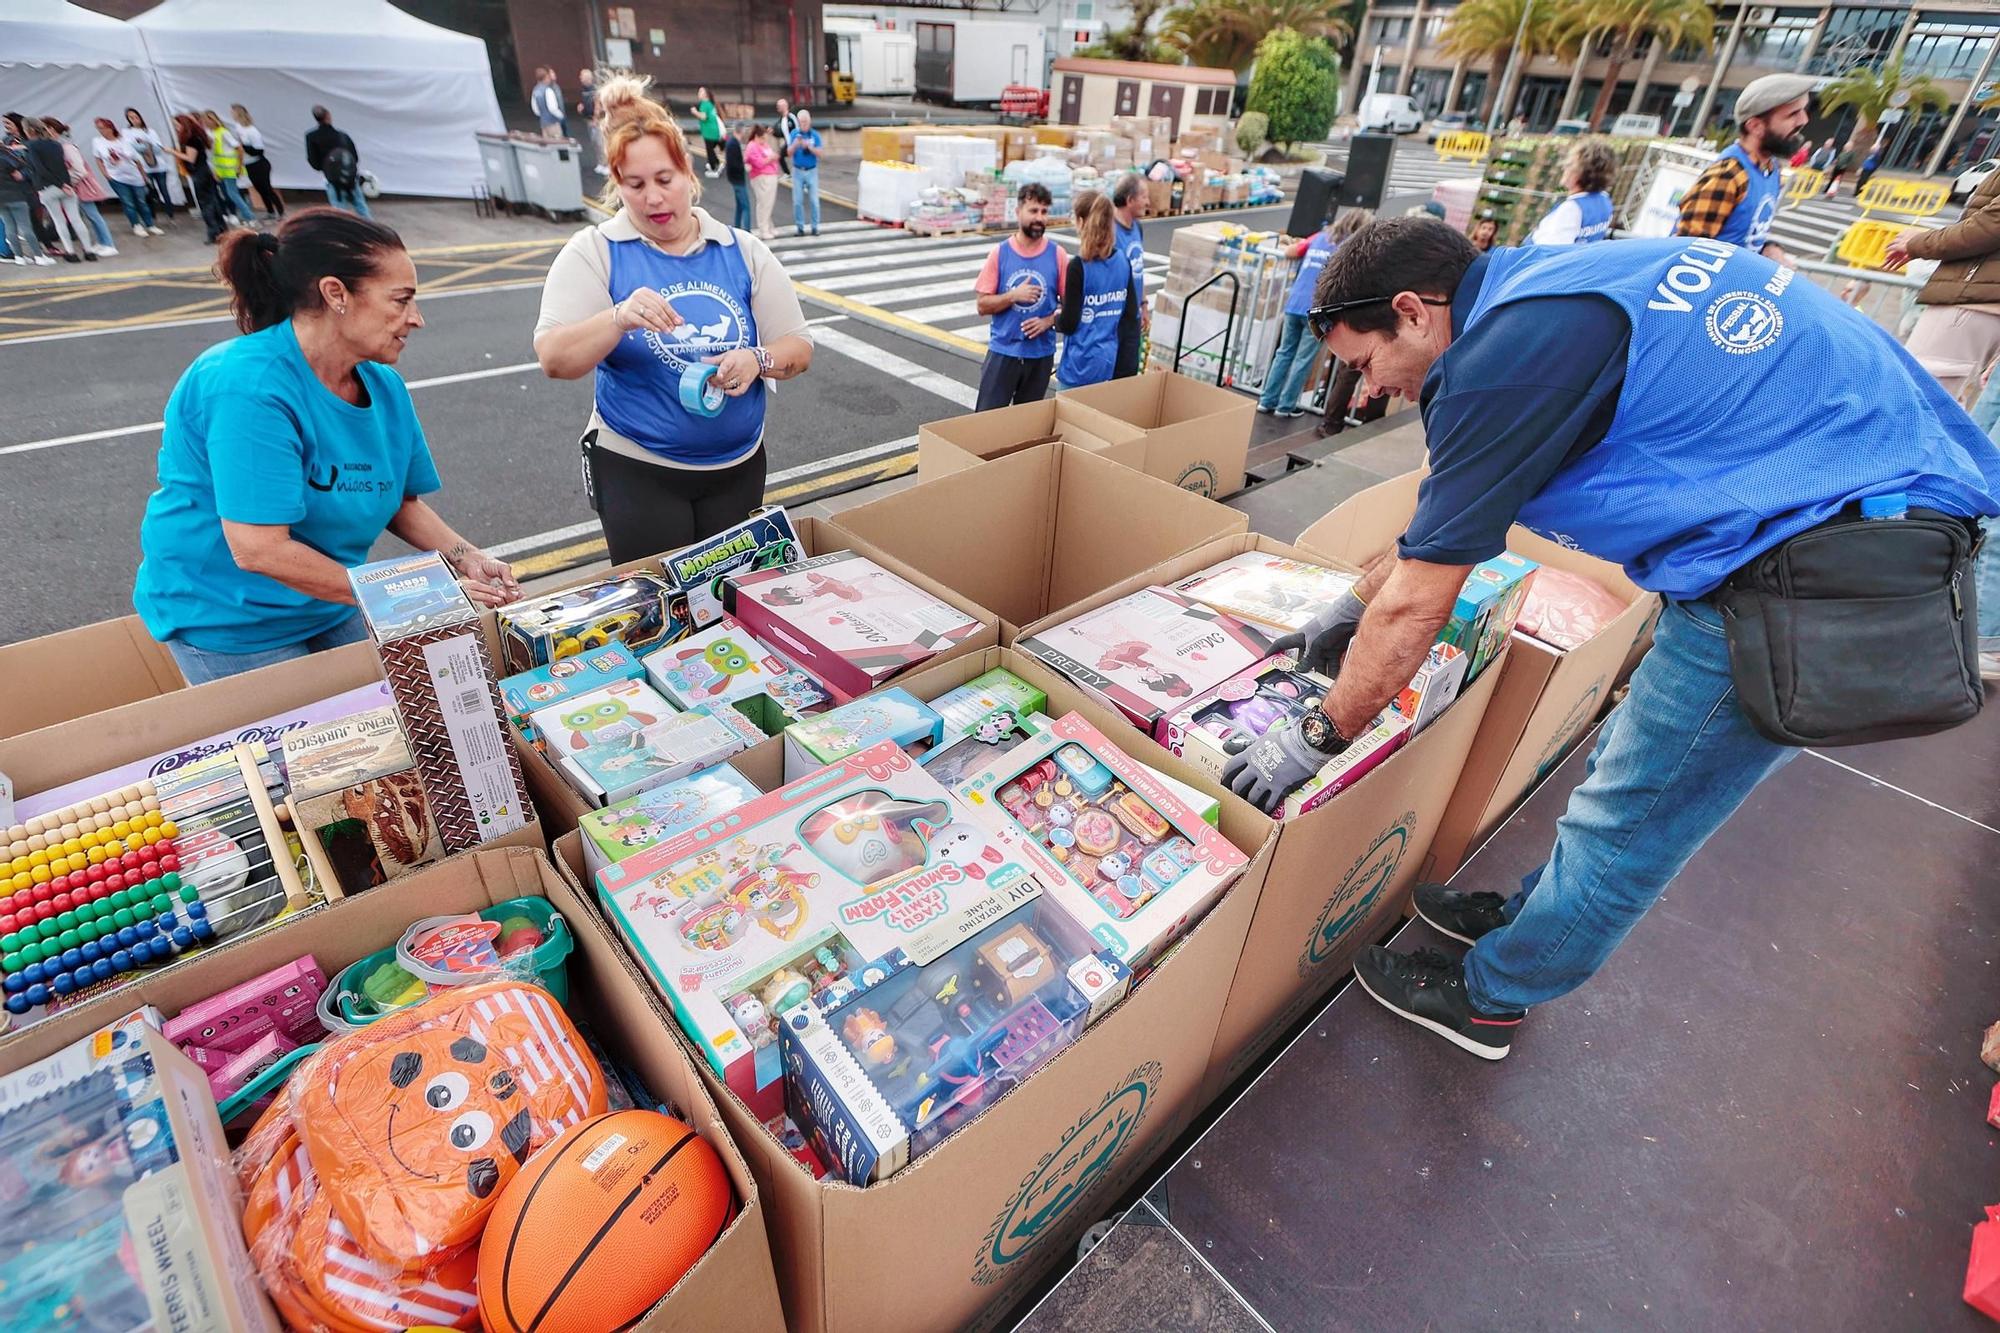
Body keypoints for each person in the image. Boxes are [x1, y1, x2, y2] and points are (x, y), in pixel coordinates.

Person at [1223, 216, 2000, 1061]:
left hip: (1810, 564)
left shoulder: (1499, 366)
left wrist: (1317, 733)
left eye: (1365, 366)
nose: (1369, 393)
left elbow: (1421, 603)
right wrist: (1353, 600)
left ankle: (1492, 996)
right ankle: (1535, 916)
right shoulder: (1539, 293)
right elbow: (1453, 506)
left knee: (1632, 817)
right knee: (1622, 769)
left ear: (1412, 311)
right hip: (1838, 491)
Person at [133, 209, 518, 684]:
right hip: (230, 618)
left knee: (402, 718)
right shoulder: (245, 385)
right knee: (301, 754)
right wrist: (413, 593)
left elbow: (398, 499)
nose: (415, 319)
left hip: (330, 598)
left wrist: (467, 557)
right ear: (335, 293)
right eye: (400, 301)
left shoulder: (383, 384)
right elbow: (259, 550)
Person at [533, 76, 815, 563]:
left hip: (737, 466)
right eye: (634, 185)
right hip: (638, 469)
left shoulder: (741, 250)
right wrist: (618, 319)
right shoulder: (596, 251)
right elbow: (555, 358)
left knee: (730, 605)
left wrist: (757, 358)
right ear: (616, 185)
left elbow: (798, 346)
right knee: (661, 610)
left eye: (664, 180)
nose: (652, 199)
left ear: (688, 171)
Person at [1884, 172, 2000, 405]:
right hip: (1977, 297)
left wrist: (1918, 243)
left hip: (1972, 299)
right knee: (1940, 400)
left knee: (1915, 396)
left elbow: (1987, 227)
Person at [1675, 73, 1812, 265]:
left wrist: (1769, 248)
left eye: (1803, 110)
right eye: (1792, 114)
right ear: (1756, 126)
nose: (1803, 120)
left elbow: (1744, 233)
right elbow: (1684, 253)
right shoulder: (1728, 175)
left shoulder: (1771, 169)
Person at [1258, 208, 1370, 417]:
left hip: (1294, 302)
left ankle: (1267, 400)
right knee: (1303, 359)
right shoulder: (1353, 247)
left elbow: (1291, 252)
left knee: (1284, 353)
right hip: (1320, 310)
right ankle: (1286, 405)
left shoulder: (1319, 237)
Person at [973, 181, 1065, 410]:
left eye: (1044, 212)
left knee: (1027, 427)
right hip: (1004, 352)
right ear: (1018, 212)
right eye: (1033, 211)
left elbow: (1074, 306)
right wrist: (1012, 295)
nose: (1040, 218)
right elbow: (982, 305)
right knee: (986, 422)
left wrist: (1048, 321)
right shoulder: (1000, 253)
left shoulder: (1058, 255)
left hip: (1041, 356)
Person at [1053, 191, 1134, 393]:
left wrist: (1056, 318)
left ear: (1081, 221)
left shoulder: (1079, 267)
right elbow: (1129, 316)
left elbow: (1070, 323)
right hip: (1108, 363)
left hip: (1079, 365)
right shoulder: (1123, 261)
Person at [22, 118, 94, 263]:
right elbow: (61, 166)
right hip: (67, 186)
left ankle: (71, 252)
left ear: (29, 130)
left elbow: (40, 169)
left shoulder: (31, 146)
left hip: (47, 187)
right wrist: (65, 184)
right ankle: (89, 251)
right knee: (76, 219)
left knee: (59, 221)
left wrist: (59, 184)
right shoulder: (56, 144)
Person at [47, 119, 117, 257]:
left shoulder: (66, 147)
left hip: (81, 186)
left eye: (45, 129)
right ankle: (103, 242)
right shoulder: (63, 145)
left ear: (52, 130)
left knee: (93, 215)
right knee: (90, 215)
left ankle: (108, 243)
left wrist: (67, 182)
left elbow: (80, 170)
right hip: (77, 186)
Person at [1529, 138, 1616, 245]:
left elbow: (1553, 251)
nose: (1564, 167)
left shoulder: (1572, 209)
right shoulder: (1604, 200)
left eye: (1570, 164)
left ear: (1583, 173)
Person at [92, 117, 162, 236]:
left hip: (134, 175)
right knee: (128, 202)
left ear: (110, 128)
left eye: (103, 128)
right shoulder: (97, 141)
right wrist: (106, 174)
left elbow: (136, 160)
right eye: (99, 129)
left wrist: (143, 175)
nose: (101, 131)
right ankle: (136, 225)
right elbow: (98, 159)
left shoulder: (124, 141)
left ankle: (150, 224)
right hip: (116, 177)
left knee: (141, 201)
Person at [1110, 173, 1150, 378]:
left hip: (1133, 317)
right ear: (1129, 199)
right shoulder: (1109, 231)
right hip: (1114, 318)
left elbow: (1138, 269)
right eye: (1144, 196)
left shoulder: (1138, 228)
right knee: (1109, 374)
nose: (1148, 201)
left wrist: (1143, 305)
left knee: (1128, 373)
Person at [170, 113, 228, 242]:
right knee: (213, 202)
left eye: (177, 125)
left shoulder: (191, 139)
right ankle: (221, 229)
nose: (176, 128)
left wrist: (173, 152)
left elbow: (190, 158)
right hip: (204, 172)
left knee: (206, 204)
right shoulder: (197, 137)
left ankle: (213, 233)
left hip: (200, 174)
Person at [306, 107, 370, 218]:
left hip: (332, 180)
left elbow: (313, 161)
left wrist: (326, 168)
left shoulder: (311, 137)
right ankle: (372, 232)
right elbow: (355, 157)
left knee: (340, 214)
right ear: (328, 116)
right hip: (351, 178)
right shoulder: (342, 136)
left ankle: (345, 234)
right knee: (362, 209)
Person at [0, 120, 47, 265]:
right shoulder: (6, 160)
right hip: (16, 196)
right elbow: (20, 173)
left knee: (10, 228)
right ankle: (39, 257)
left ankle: (19, 257)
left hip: (1, 200)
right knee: (26, 227)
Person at [232, 104, 284, 218]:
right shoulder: (238, 127)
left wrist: (244, 147)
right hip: (249, 164)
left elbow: (259, 151)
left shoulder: (251, 131)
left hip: (258, 163)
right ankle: (270, 211)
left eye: (233, 113)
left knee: (266, 188)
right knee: (259, 188)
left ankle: (280, 211)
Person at [200, 110, 251, 224]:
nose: (205, 123)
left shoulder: (223, 132)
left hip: (229, 168)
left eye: (207, 120)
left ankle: (249, 216)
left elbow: (239, 148)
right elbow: (212, 155)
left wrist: (239, 165)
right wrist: (215, 170)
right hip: (221, 169)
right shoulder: (211, 133)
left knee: (233, 193)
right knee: (231, 193)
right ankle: (246, 215)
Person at [124, 108, 175, 217]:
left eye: (135, 116)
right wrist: (146, 145)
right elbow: (131, 147)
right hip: (144, 167)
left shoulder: (150, 131)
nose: (134, 119)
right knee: (148, 192)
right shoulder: (127, 132)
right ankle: (152, 216)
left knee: (164, 191)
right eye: (130, 117)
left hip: (159, 165)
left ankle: (170, 214)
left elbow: (158, 147)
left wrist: (143, 145)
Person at [788, 109, 823, 236]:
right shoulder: (794, 134)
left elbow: (820, 153)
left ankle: (815, 226)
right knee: (797, 201)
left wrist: (809, 147)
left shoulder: (815, 135)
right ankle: (800, 227)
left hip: (812, 170)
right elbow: (789, 153)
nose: (804, 124)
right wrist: (796, 145)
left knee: (814, 200)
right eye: (802, 122)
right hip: (798, 170)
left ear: (810, 122)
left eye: (806, 122)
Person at [745, 123, 780, 239]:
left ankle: (769, 226)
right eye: (763, 137)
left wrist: (772, 158)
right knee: (764, 204)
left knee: (768, 203)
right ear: (757, 136)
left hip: (770, 175)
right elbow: (758, 163)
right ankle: (763, 229)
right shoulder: (752, 146)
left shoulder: (763, 145)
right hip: (761, 177)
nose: (765, 140)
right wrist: (770, 159)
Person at [723, 121, 750, 231]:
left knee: (740, 206)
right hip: (738, 179)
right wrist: (744, 167)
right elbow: (733, 164)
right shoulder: (733, 144)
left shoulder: (732, 143)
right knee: (746, 206)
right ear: (742, 130)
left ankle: (737, 227)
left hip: (735, 179)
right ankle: (747, 231)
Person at [690, 86, 722, 175]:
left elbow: (703, 117)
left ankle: (713, 167)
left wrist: (695, 112)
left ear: (706, 95)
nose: (698, 94)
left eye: (700, 92)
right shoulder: (710, 104)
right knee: (711, 148)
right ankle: (716, 162)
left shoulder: (704, 104)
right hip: (714, 130)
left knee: (709, 150)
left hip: (709, 131)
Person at [577, 68, 604, 174]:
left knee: (600, 142)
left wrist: (596, 119)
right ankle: (600, 163)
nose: (580, 78)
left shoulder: (594, 90)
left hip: (596, 121)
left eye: (582, 76)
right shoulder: (584, 90)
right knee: (594, 142)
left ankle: (606, 164)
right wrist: (581, 108)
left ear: (588, 78)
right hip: (588, 119)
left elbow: (598, 106)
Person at [532, 68, 567, 137]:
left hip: (543, 123)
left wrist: (543, 115)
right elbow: (553, 108)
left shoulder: (535, 91)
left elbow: (535, 109)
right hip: (553, 122)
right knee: (557, 143)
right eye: (548, 77)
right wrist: (561, 116)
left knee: (548, 144)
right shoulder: (548, 90)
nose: (549, 79)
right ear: (544, 78)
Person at [775, 98, 798, 179]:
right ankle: (787, 173)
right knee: (780, 155)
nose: (777, 108)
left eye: (779, 106)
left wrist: (797, 141)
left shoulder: (791, 117)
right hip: (788, 143)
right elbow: (782, 133)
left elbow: (797, 128)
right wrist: (773, 132)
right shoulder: (782, 119)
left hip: (795, 142)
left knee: (796, 158)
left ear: (784, 106)